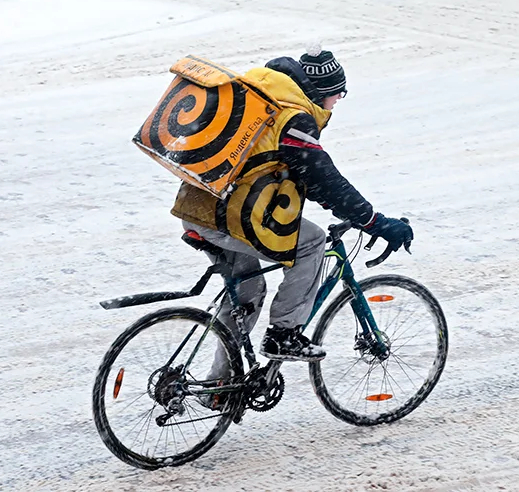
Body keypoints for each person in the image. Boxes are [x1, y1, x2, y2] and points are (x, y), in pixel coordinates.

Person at [173, 50, 414, 367]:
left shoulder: (262, 94)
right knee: (311, 242)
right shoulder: (294, 117)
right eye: (337, 94)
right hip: (230, 215)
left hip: (198, 205)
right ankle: (283, 335)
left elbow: (307, 179)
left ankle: (220, 384)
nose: (338, 101)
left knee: (246, 294)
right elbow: (323, 179)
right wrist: (375, 222)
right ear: (322, 91)